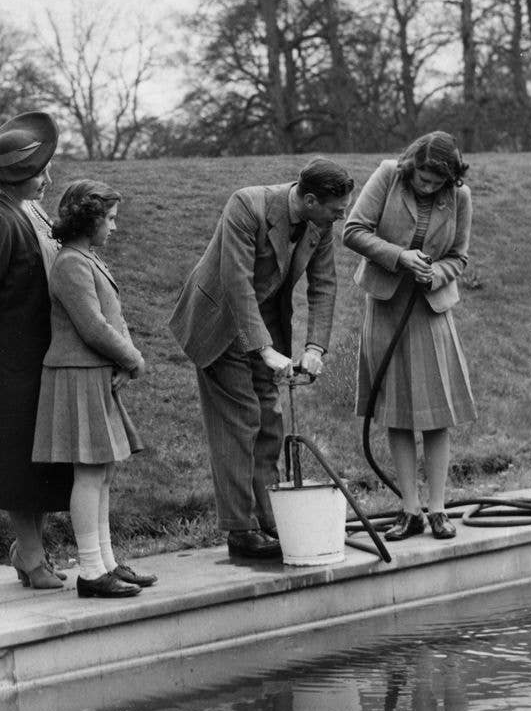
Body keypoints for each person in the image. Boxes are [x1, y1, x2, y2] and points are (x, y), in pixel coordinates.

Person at [169, 158, 355, 559]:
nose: (340, 218)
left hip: (265, 322)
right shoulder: (247, 206)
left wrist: (314, 348)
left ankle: (270, 519)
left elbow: (324, 285)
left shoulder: (318, 224)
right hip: (220, 322)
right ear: (309, 199)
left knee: (270, 421)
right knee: (240, 421)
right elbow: (237, 283)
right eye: (335, 211)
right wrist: (265, 350)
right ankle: (241, 530)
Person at [342, 131, 477, 541]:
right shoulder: (387, 176)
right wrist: (399, 257)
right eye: (422, 178)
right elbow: (353, 230)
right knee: (397, 412)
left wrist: (435, 272)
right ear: (411, 164)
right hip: (386, 305)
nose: (428, 186)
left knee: (437, 413)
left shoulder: (461, 197)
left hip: (430, 309)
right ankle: (409, 510)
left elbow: (459, 255)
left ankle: (437, 510)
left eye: (437, 183)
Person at [0, 111, 73, 589]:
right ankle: (30, 555)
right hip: (13, 361)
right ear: (13, 178)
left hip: (39, 356)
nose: (47, 178)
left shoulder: (28, 209)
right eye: (37, 172)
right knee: (17, 461)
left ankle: (29, 553)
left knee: (43, 459)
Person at [32, 179, 154, 598]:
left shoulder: (86, 257)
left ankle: (106, 563)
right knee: (88, 473)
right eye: (111, 219)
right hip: (76, 375)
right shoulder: (70, 263)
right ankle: (90, 572)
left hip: (92, 374)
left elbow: (112, 318)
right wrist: (133, 359)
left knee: (101, 473)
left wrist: (124, 358)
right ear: (89, 220)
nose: (114, 228)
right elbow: (92, 326)